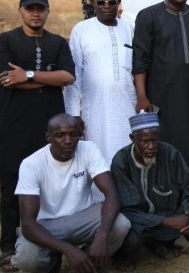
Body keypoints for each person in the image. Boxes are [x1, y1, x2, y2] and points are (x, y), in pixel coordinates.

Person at [0, 0, 75, 272]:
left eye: (41, 8)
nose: (36, 13)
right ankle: (8, 246)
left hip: (49, 126)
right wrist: (49, 80)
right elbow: (7, 80)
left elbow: (68, 76)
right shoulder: (5, 41)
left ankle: (47, 241)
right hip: (13, 126)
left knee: (51, 184)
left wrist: (28, 74)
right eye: (30, 9)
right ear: (20, 10)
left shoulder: (57, 43)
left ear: (48, 11)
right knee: (12, 187)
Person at [11, 114, 130, 273]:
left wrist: (101, 237)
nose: (68, 141)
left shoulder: (88, 149)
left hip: (83, 216)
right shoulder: (31, 164)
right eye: (60, 135)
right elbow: (27, 223)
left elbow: (112, 194)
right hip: (47, 224)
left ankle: (88, 261)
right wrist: (68, 249)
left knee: (121, 224)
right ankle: (54, 260)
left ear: (79, 134)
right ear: (48, 137)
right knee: (27, 260)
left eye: (73, 134)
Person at [111, 111, 189, 269]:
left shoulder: (169, 153)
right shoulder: (121, 162)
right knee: (130, 236)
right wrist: (166, 221)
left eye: (155, 140)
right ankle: (125, 256)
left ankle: (162, 243)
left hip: (166, 211)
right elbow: (127, 210)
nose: (151, 147)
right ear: (133, 139)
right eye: (145, 141)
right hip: (139, 220)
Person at [64, 0, 135, 201]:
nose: (106, 6)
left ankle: (128, 206)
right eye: (101, 2)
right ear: (93, 3)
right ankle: (98, 208)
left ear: (118, 3)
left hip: (126, 108)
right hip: (94, 111)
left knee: (126, 156)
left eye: (111, 2)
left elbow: (135, 71)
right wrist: (74, 114)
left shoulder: (129, 29)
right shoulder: (81, 30)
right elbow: (74, 75)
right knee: (96, 158)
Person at [133, 0, 189, 176]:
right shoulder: (148, 16)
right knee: (162, 147)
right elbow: (140, 59)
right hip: (161, 96)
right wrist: (141, 96)